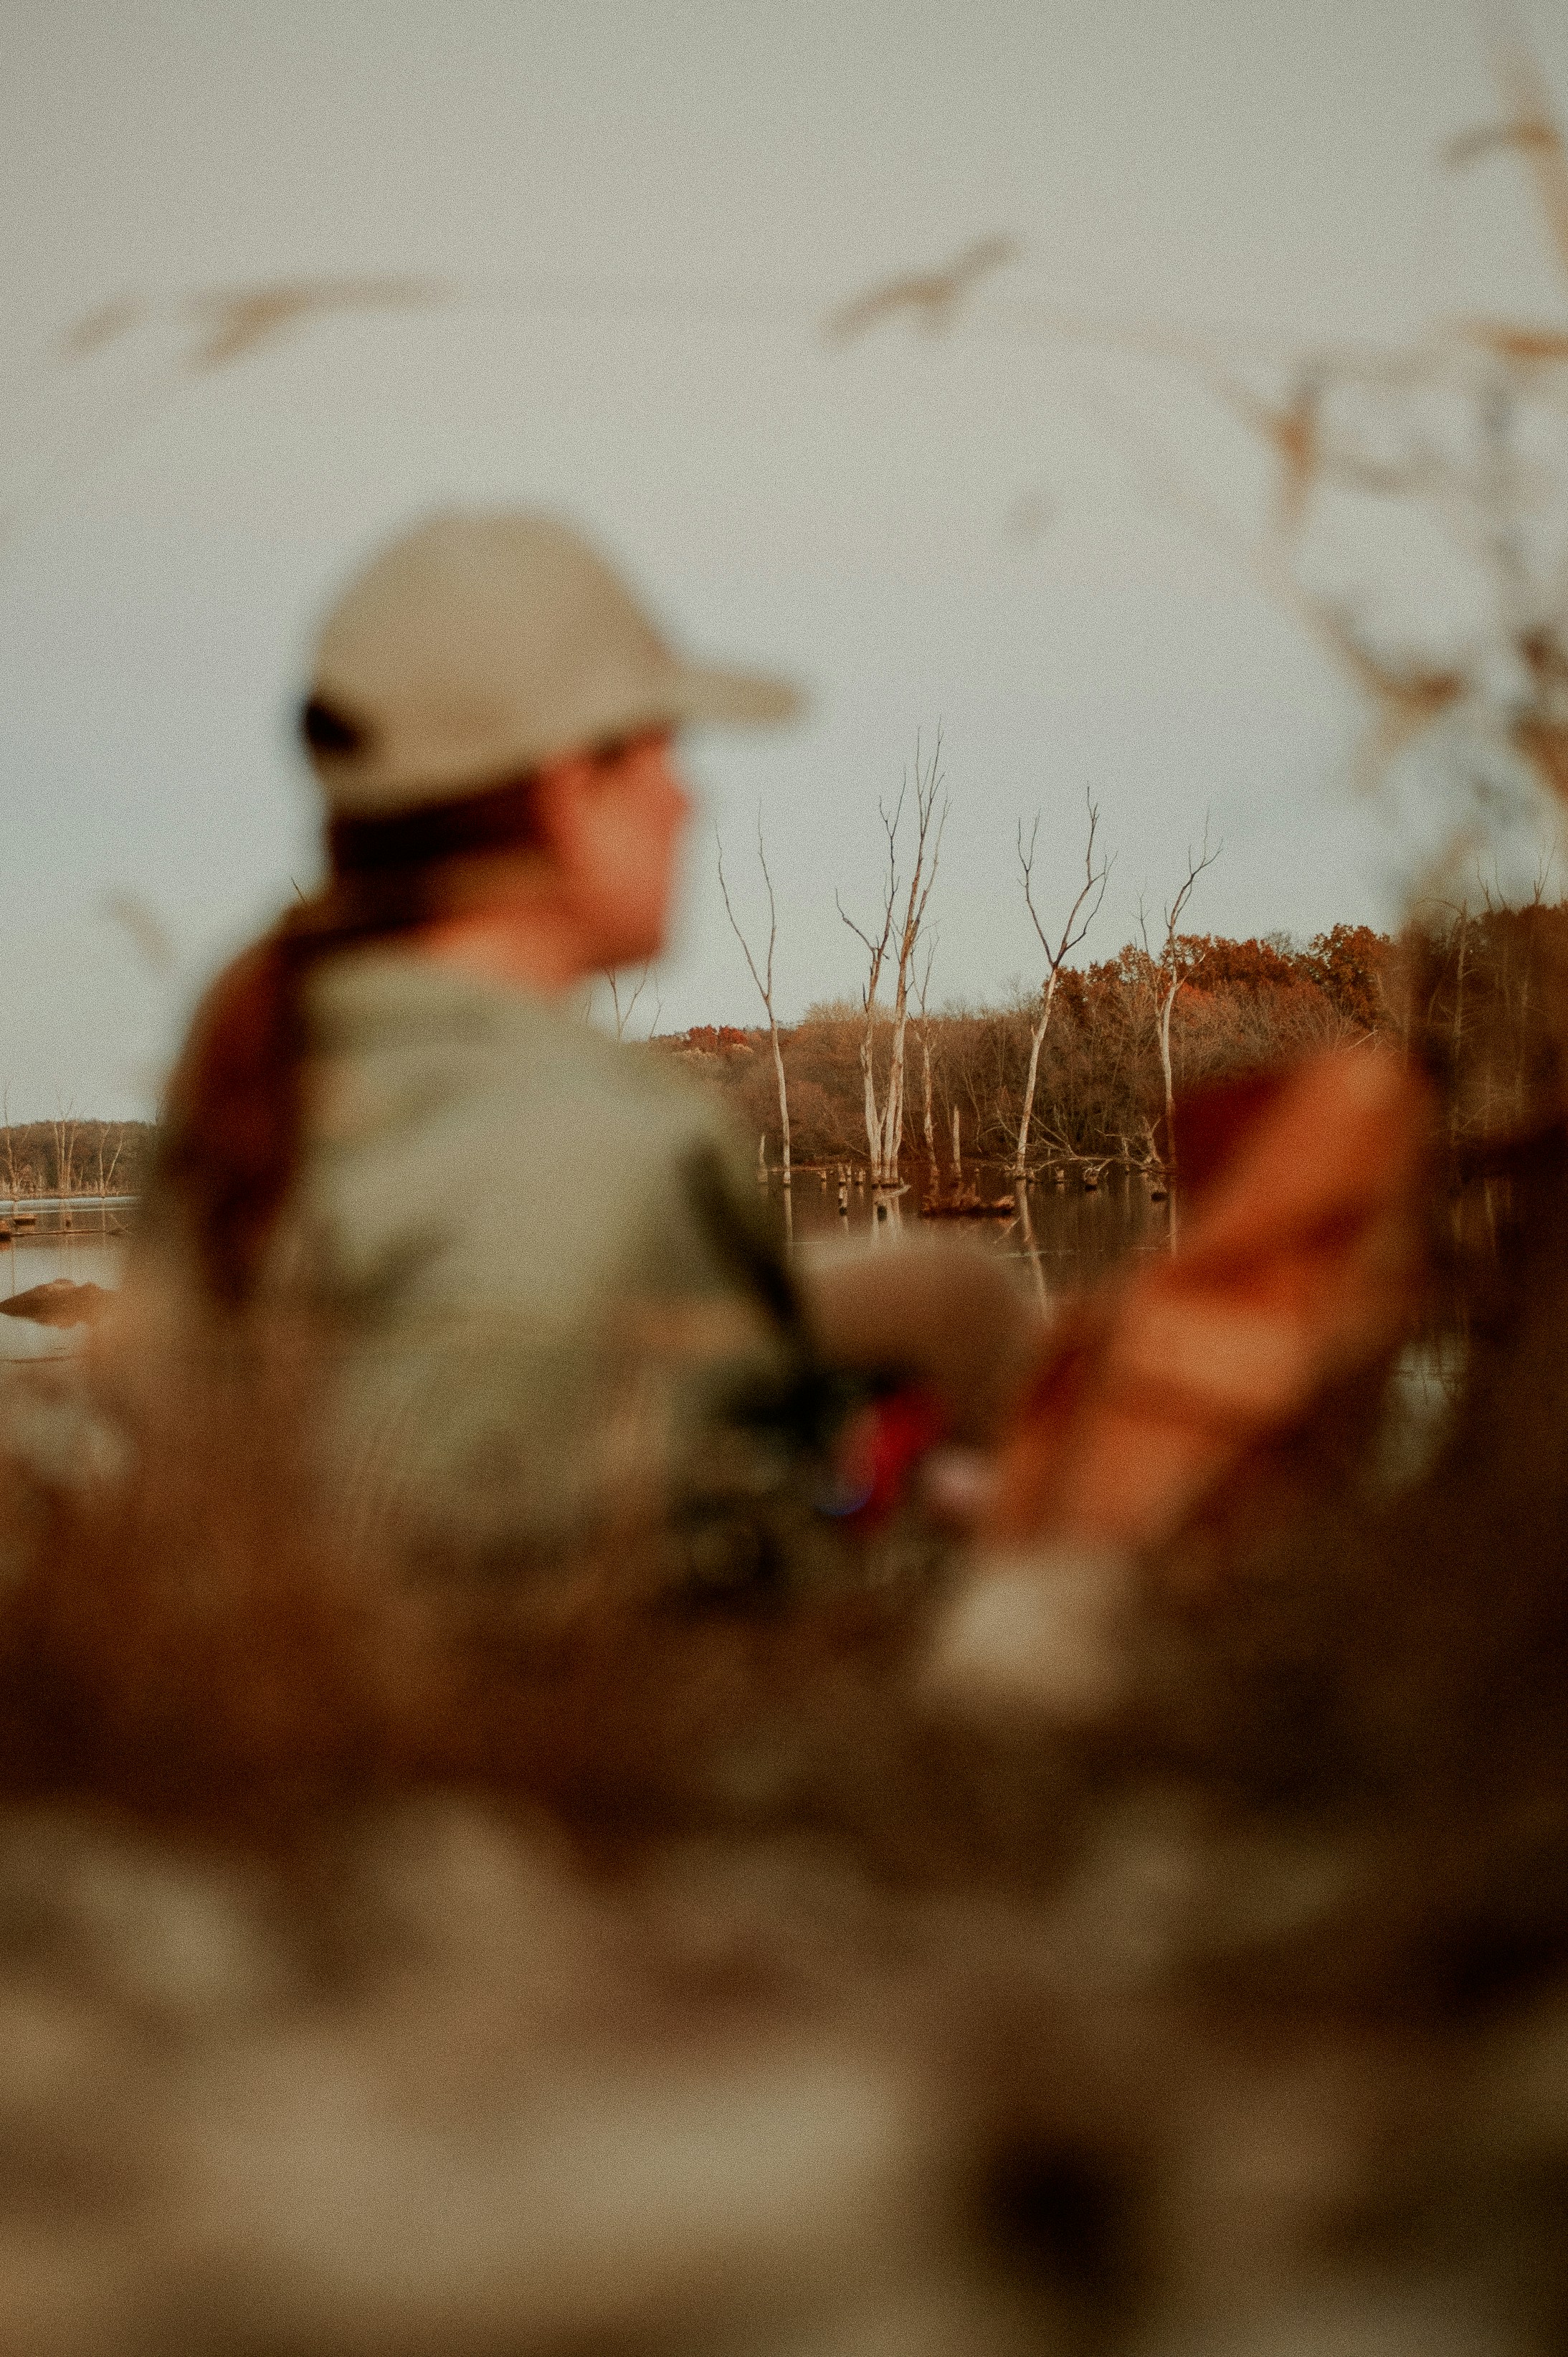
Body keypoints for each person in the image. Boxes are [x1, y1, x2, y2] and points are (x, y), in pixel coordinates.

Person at [125, 511, 1032, 1589]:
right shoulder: (615, 1152)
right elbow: (692, 1603)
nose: (689, 796)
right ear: (571, 791)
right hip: (556, 1705)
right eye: (661, 751)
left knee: (947, 1294)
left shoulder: (262, 1043)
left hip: (313, 1585)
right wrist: (953, 1527)